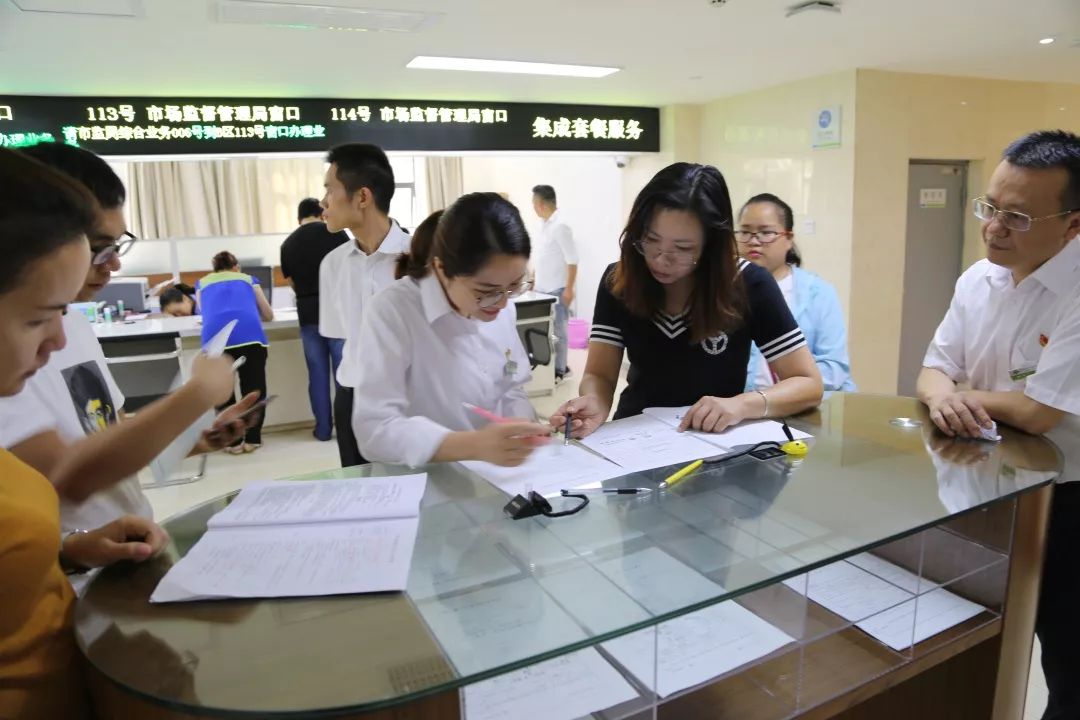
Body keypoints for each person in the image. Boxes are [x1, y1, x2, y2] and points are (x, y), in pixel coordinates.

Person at [0, 143, 256, 595]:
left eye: (117, 246)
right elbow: (70, 474)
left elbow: (108, 434)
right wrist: (196, 394)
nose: (113, 264)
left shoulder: (72, 326)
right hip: (67, 583)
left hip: (110, 555)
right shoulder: (15, 352)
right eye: (100, 248)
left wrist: (193, 437)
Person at [0, 147, 189, 719]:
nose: (58, 340)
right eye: (38, 318)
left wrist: (69, 553)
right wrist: (197, 394)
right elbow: (71, 472)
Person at [915, 130, 1080, 720]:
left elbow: (1038, 412)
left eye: (1017, 217)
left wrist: (962, 396)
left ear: (1073, 224)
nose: (994, 228)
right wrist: (944, 395)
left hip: (1066, 501)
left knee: (1069, 666)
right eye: (990, 207)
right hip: (983, 490)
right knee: (973, 645)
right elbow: (934, 368)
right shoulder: (977, 279)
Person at [550, 163, 823, 439]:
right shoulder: (620, 279)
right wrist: (595, 402)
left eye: (682, 249)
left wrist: (742, 405)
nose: (661, 260)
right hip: (635, 437)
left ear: (711, 245)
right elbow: (600, 374)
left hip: (714, 441)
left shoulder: (749, 284)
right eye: (651, 240)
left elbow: (808, 383)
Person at [352, 194, 552, 467]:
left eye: (514, 285)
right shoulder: (393, 311)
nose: (503, 303)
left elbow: (510, 386)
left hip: (499, 475)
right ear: (441, 269)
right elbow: (375, 430)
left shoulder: (502, 306)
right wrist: (472, 445)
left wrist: (522, 426)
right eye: (486, 292)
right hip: (425, 477)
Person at [318, 143, 410, 467]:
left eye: (330, 190)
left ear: (362, 197)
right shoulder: (333, 264)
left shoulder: (421, 260)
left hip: (408, 399)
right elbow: (340, 333)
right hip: (352, 396)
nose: (323, 201)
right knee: (358, 487)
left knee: (414, 488)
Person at [737, 193, 856, 392]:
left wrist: (785, 390)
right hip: (741, 404)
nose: (754, 241)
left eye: (766, 232)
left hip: (805, 403)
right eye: (745, 232)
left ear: (789, 239)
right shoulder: (724, 292)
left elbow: (834, 367)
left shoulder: (818, 293)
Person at [280, 197, 348, 441]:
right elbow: (350, 271)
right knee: (343, 374)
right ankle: (345, 429)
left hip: (308, 315)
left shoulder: (287, 244)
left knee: (317, 375)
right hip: (337, 314)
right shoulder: (336, 235)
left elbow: (292, 283)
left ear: (299, 218)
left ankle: (322, 430)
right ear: (321, 214)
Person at [197, 251, 274, 453]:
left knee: (222, 392)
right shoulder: (248, 279)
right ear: (236, 267)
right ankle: (252, 439)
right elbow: (268, 314)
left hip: (216, 341)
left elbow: (204, 313)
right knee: (254, 389)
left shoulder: (202, 283)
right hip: (250, 336)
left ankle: (230, 442)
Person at [531, 184, 579, 382]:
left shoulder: (560, 226)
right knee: (546, 331)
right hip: (542, 289)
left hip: (557, 289)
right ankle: (550, 366)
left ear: (541, 204)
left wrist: (569, 289)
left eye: (534, 203)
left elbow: (572, 259)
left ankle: (561, 369)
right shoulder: (543, 225)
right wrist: (533, 279)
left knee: (559, 330)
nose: (533, 207)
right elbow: (542, 256)